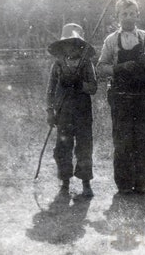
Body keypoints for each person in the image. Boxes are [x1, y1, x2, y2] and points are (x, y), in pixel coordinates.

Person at [97, 0, 145, 194]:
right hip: (120, 96)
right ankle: (124, 185)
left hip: (142, 95)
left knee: (144, 139)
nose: (128, 17)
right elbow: (101, 67)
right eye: (124, 14)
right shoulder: (111, 40)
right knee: (122, 140)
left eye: (132, 13)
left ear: (137, 15)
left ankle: (141, 183)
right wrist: (119, 68)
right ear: (117, 16)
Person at [46, 23, 97, 197]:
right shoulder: (58, 65)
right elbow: (50, 90)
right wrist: (49, 111)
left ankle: (86, 182)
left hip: (83, 113)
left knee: (84, 147)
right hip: (63, 112)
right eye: (68, 44)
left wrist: (80, 84)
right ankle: (65, 182)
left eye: (76, 44)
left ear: (81, 45)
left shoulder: (86, 64)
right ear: (62, 46)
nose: (72, 48)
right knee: (63, 147)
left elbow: (93, 87)